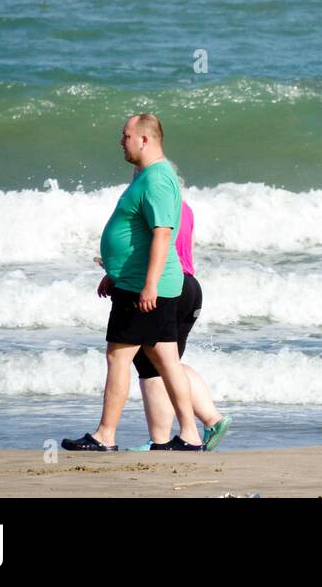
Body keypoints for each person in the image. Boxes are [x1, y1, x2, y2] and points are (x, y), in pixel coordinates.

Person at [62, 113, 203, 452]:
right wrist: (116, 273)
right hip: (137, 282)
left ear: (145, 139)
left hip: (145, 286)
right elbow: (139, 235)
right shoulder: (150, 176)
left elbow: (162, 234)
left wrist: (149, 285)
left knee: (118, 357)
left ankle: (105, 435)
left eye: (125, 135)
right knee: (166, 360)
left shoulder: (157, 179)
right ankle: (189, 436)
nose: (120, 141)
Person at [129, 192, 232, 451]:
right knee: (168, 362)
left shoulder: (153, 205)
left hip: (166, 285)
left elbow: (147, 247)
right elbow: (187, 247)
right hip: (190, 286)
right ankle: (212, 419)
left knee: (150, 361)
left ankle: (159, 440)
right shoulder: (185, 208)